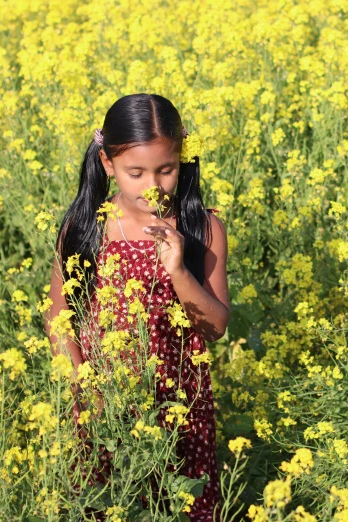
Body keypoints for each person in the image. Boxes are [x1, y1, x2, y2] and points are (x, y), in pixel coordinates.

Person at [44, 93, 230, 521]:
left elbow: (216, 327)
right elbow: (59, 318)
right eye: (135, 172)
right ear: (108, 165)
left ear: (182, 159)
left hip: (181, 406)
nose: (152, 186)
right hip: (105, 406)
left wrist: (179, 269)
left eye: (165, 170)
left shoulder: (202, 227)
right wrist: (82, 388)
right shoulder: (85, 226)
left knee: (179, 507)